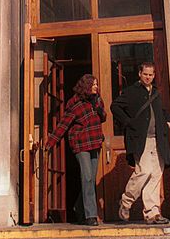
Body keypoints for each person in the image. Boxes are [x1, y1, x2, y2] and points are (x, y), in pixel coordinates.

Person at [110, 61, 170, 225]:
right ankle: (126, 202)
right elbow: (115, 106)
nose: (148, 77)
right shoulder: (131, 92)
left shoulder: (156, 92)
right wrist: (128, 122)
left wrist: (167, 121)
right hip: (140, 140)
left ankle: (152, 212)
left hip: (158, 140)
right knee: (144, 172)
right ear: (139, 74)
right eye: (145, 74)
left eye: (151, 75)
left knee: (156, 175)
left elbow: (162, 111)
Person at [44, 74, 106, 226]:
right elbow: (64, 124)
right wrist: (50, 142)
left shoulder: (97, 100)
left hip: (95, 142)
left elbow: (103, 118)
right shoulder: (75, 103)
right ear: (86, 86)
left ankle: (79, 207)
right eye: (93, 85)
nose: (96, 87)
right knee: (87, 178)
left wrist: (98, 108)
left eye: (96, 84)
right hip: (81, 143)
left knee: (91, 179)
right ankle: (90, 215)